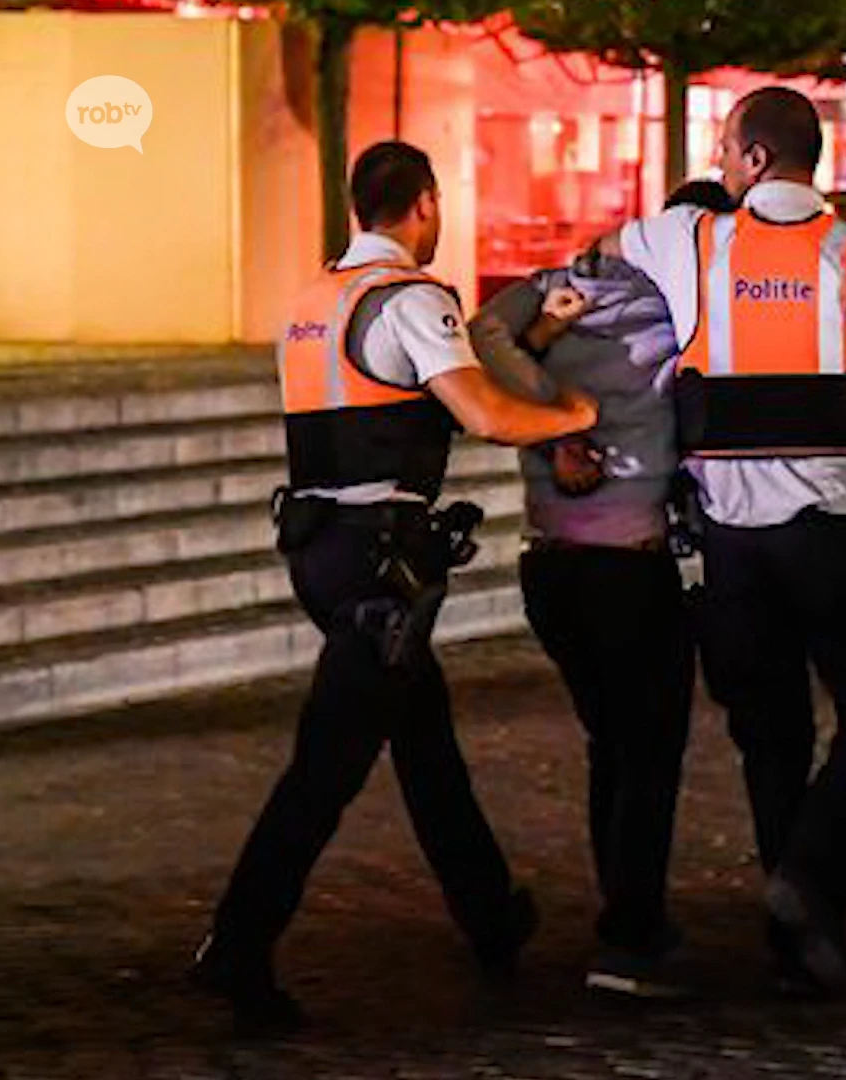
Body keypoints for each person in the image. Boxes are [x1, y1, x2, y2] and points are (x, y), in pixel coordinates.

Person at [191, 141, 600, 1034]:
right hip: (384, 562)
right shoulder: (413, 299)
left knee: (424, 743)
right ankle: (239, 944)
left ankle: (490, 914)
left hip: (319, 549)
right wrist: (575, 412)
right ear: (422, 203)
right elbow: (484, 414)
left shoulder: (311, 303)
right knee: (326, 767)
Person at [596, 86, 846, 996]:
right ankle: (810, 889)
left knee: (771, 737)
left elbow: (602, 262)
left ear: (747, 160)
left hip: (731, 544)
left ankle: (796, 935)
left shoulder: (689, 240)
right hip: (834, 531)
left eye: (723, 150)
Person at [464, 180, 738, 999]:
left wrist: (555, 414)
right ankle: (630, 937)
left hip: (549, 565)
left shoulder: (558, 289)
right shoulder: (684, 311)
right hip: (630, 563)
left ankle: (625, 916)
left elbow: (478, 334)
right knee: (649, 749)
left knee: (609, 743)